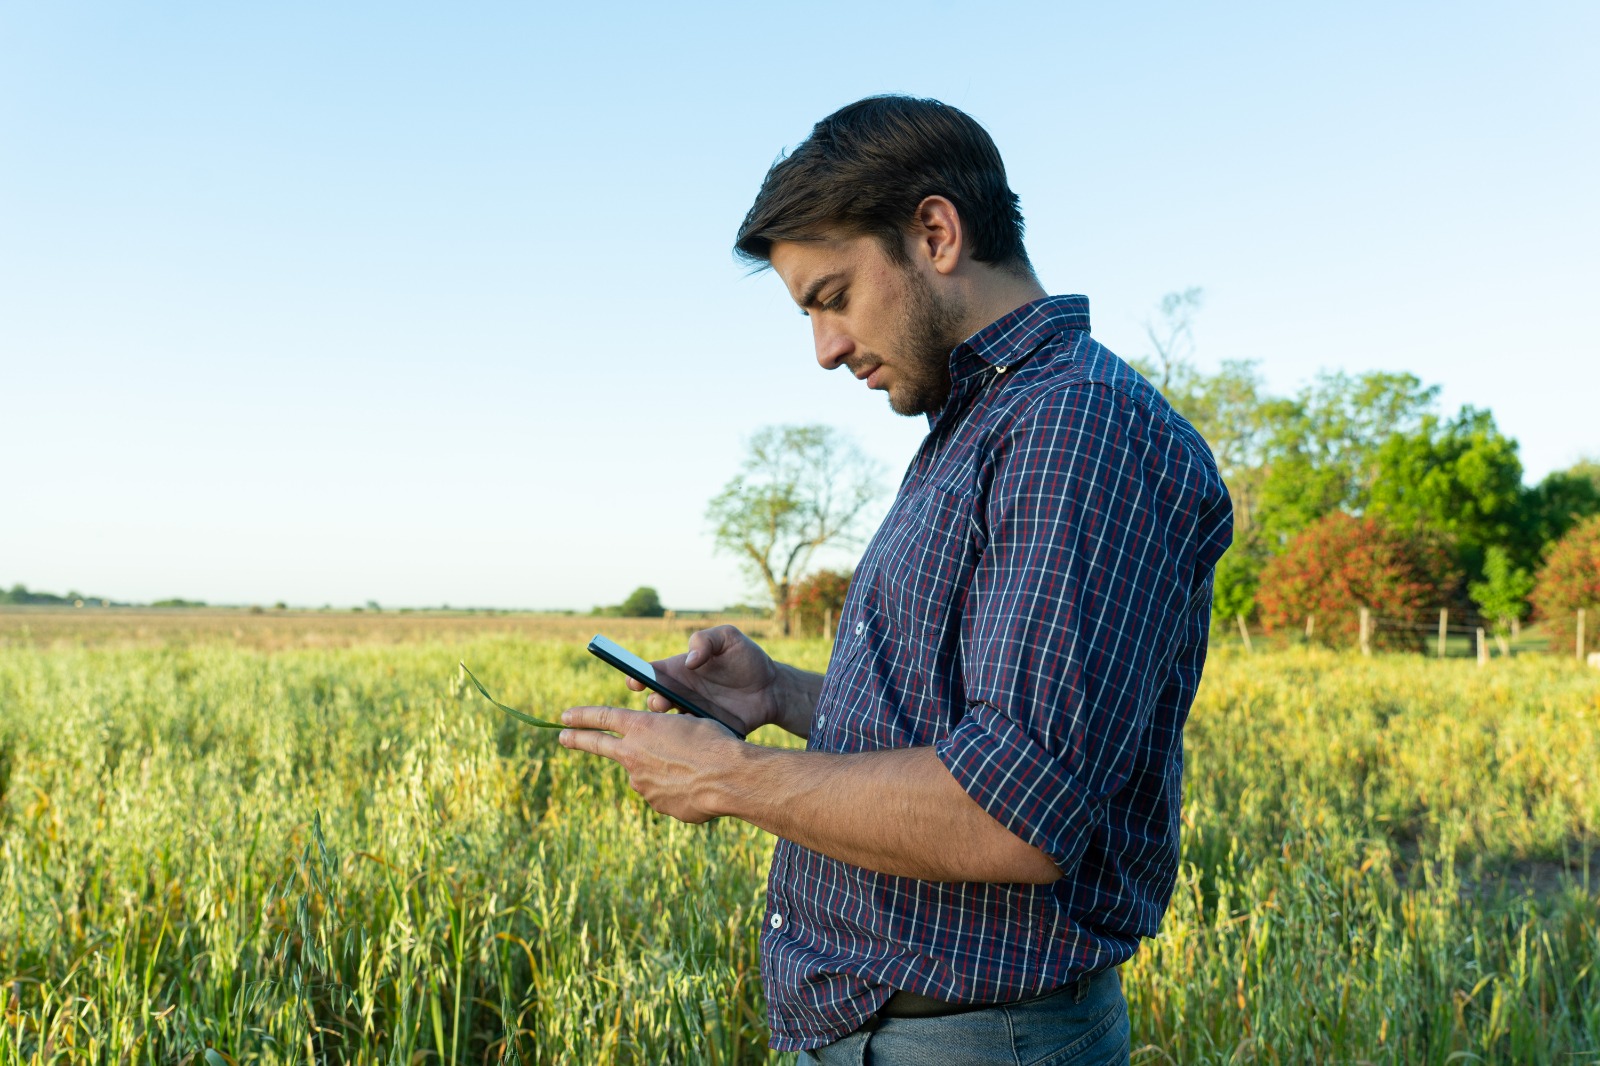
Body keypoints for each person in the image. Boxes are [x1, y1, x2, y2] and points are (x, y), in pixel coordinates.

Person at [559, 95, 1233, 1064]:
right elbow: (974, 733)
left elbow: (1012, 815)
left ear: (934, 232)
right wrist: (782, 695)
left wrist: (732, 780)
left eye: (832, 296)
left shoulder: (1071, 428)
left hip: (966, 1038)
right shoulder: (987, 422)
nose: (826, 349)